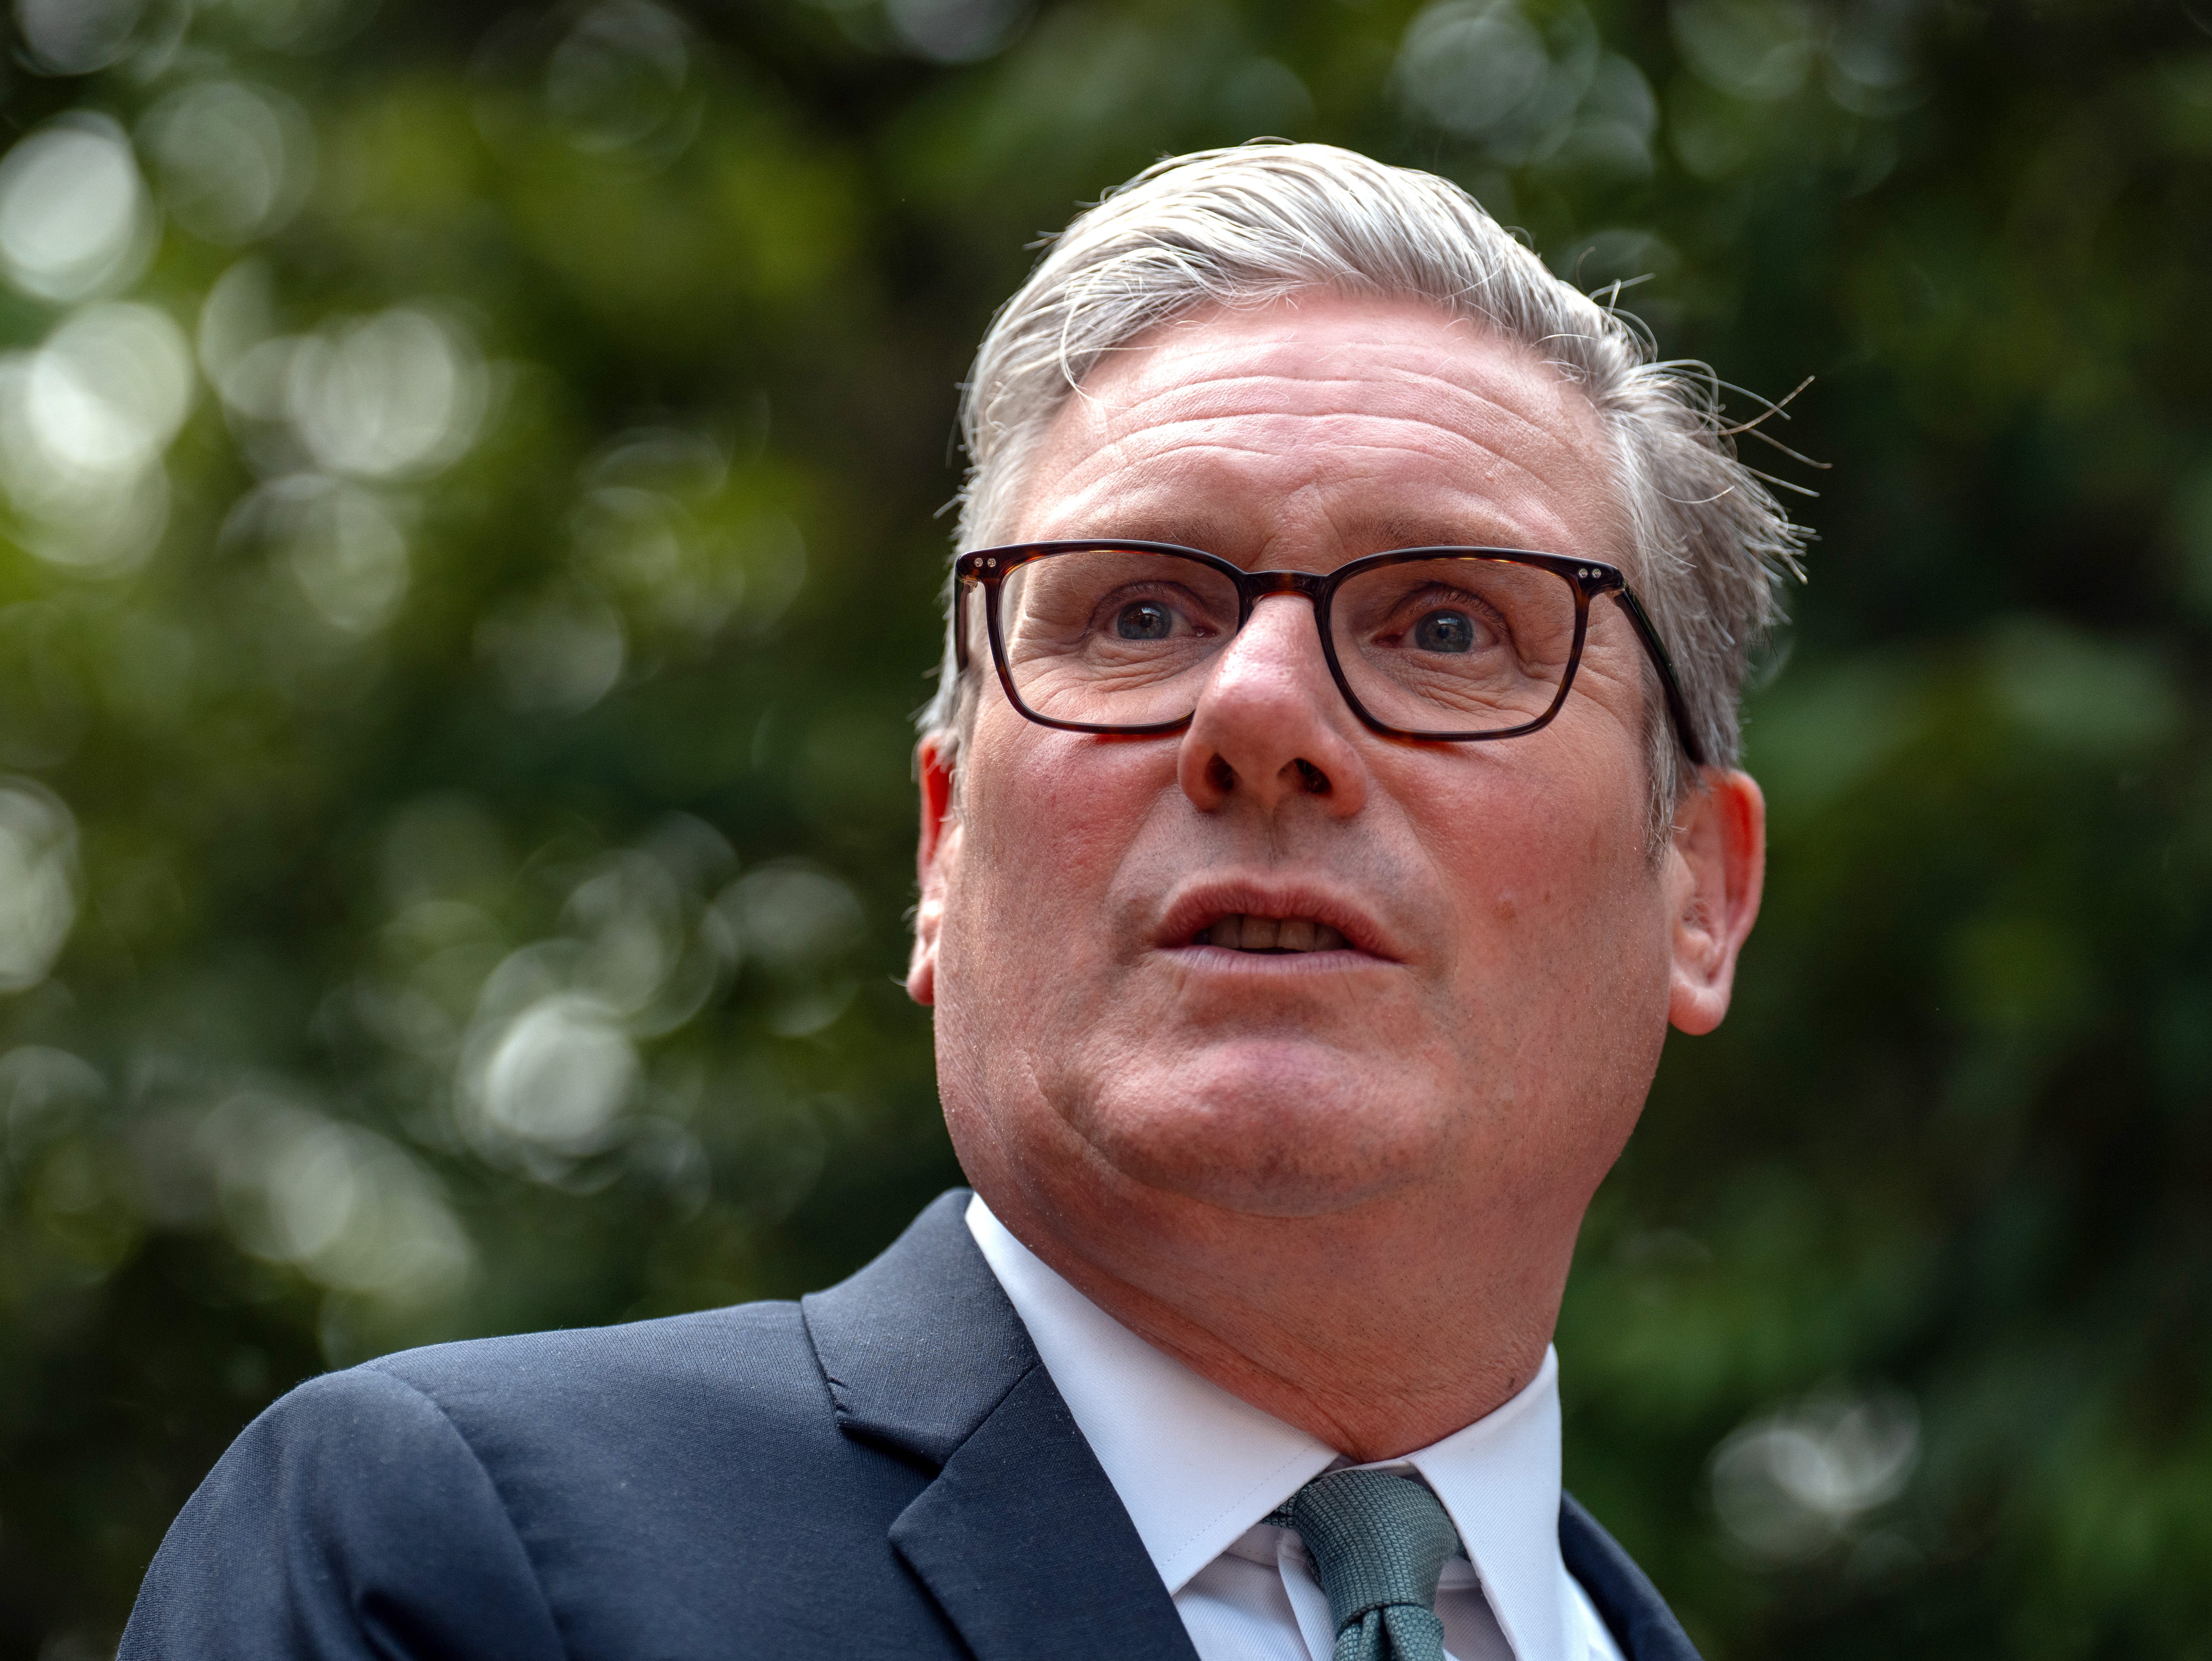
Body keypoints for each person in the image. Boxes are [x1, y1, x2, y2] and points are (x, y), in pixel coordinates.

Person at [120, 143, 1797, 1661]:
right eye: (1138, 616)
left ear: (1698, 893)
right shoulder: (447, 1557)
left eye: (1445, 628)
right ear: (940, 852)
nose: (1262, 714)